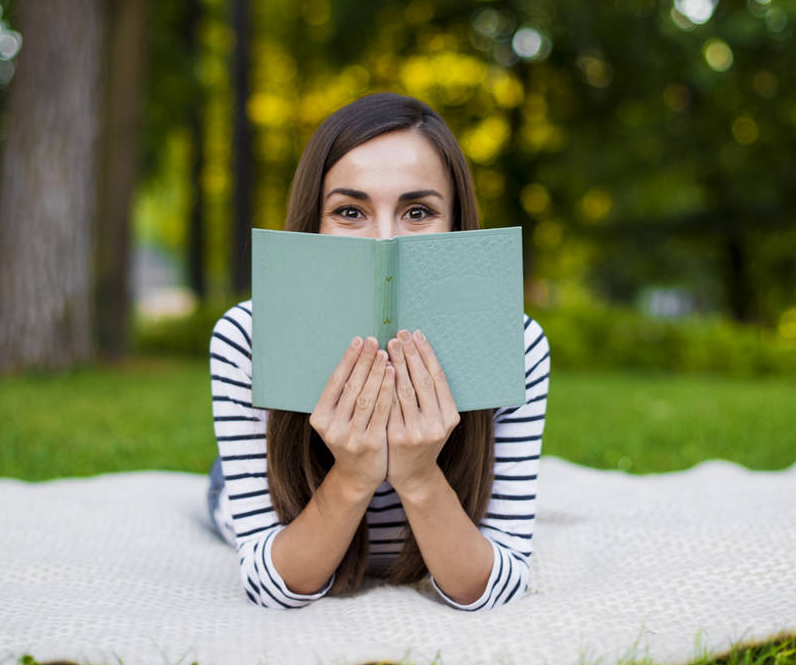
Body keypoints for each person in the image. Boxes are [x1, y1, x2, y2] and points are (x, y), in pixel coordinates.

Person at [206, 92, 549, 611]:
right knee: (224, 495)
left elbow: (499, 585)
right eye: (349, 211)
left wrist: (417, 474)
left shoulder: (518, 344)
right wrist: (353, 473)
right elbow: (268, 586)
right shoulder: (245, 338)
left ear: (456, 224)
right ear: (313, 225)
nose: (384, 241)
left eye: (417, 211)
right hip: (269, 488)